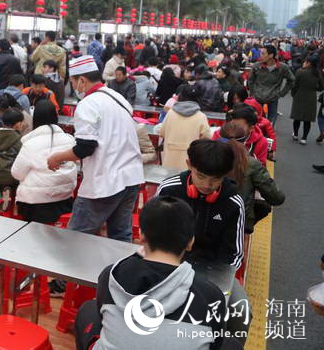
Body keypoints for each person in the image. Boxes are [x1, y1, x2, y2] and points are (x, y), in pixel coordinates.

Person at [75, 196, 232, 350]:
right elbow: (215, 344)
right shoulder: (210, 295)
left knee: (88, 310)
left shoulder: (111, 275)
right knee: (231, 344)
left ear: (142, 236)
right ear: (190, 242)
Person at [156, 139, 251, 343]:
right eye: (201, 176)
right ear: (189, 165)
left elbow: (234, 255)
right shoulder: (168, 191)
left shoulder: (233, 202)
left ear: (225, 175)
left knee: (241, 310)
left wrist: (215, 281)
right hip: (170, 265)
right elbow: (154, 235)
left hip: (213, 271)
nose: (207, 185)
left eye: (216, 179)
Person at [46, 55, 143, 243]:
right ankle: (117, 273)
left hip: (105, 181)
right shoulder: (118, 97)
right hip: (131, 177)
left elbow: (85, 147)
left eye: (74, 83)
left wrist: (57, 157)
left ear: (82, 80)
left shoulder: (88, 104)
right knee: (120, 237)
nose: (74, 88)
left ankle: (70, 272)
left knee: (76, 239)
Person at [11, 100, 77, 224]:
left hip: (36, 204)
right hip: (64, 200)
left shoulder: (30, 144)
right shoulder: (69, 140)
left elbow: (16, 173)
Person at [218, 121, 285, 234]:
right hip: (239, 220)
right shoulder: (251, 163)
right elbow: (277, 197)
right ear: (245, 140)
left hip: (206, 215)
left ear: (219, 136)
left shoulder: (208, 155)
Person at [159, 85, 211, 169]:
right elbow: (207, 138)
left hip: (169, 158)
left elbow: (162, 133)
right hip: (191, 160)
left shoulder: (171, 113)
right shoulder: (201, 116)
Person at [0, 108, 24, 211]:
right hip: (10, 176)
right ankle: (8, 194)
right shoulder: (18, 140)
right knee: (18, 181)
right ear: (17, 125)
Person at [247, 44, 294, 124]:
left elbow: (291, 80)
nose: (260, 55)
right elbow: (250, 80)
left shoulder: (283, 67)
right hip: (257, 98)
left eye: (263, 53)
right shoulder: (257, 66)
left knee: (270, 122)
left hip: (273, 98)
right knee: (257, 122)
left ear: (271, 55)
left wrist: (281, 93)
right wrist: (253, 92)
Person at [290, 55, 323, 144]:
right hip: (311, 97)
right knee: (307, 120)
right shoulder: (318, 73)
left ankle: (296, 134)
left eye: (305, 61)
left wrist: (293, 94)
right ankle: (304, 138)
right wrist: (314, 88)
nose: (304, 63)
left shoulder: (300, 72)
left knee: (297, 117)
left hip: (299, 96)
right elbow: (321, 87)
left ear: (309, 63)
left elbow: (295, 85)